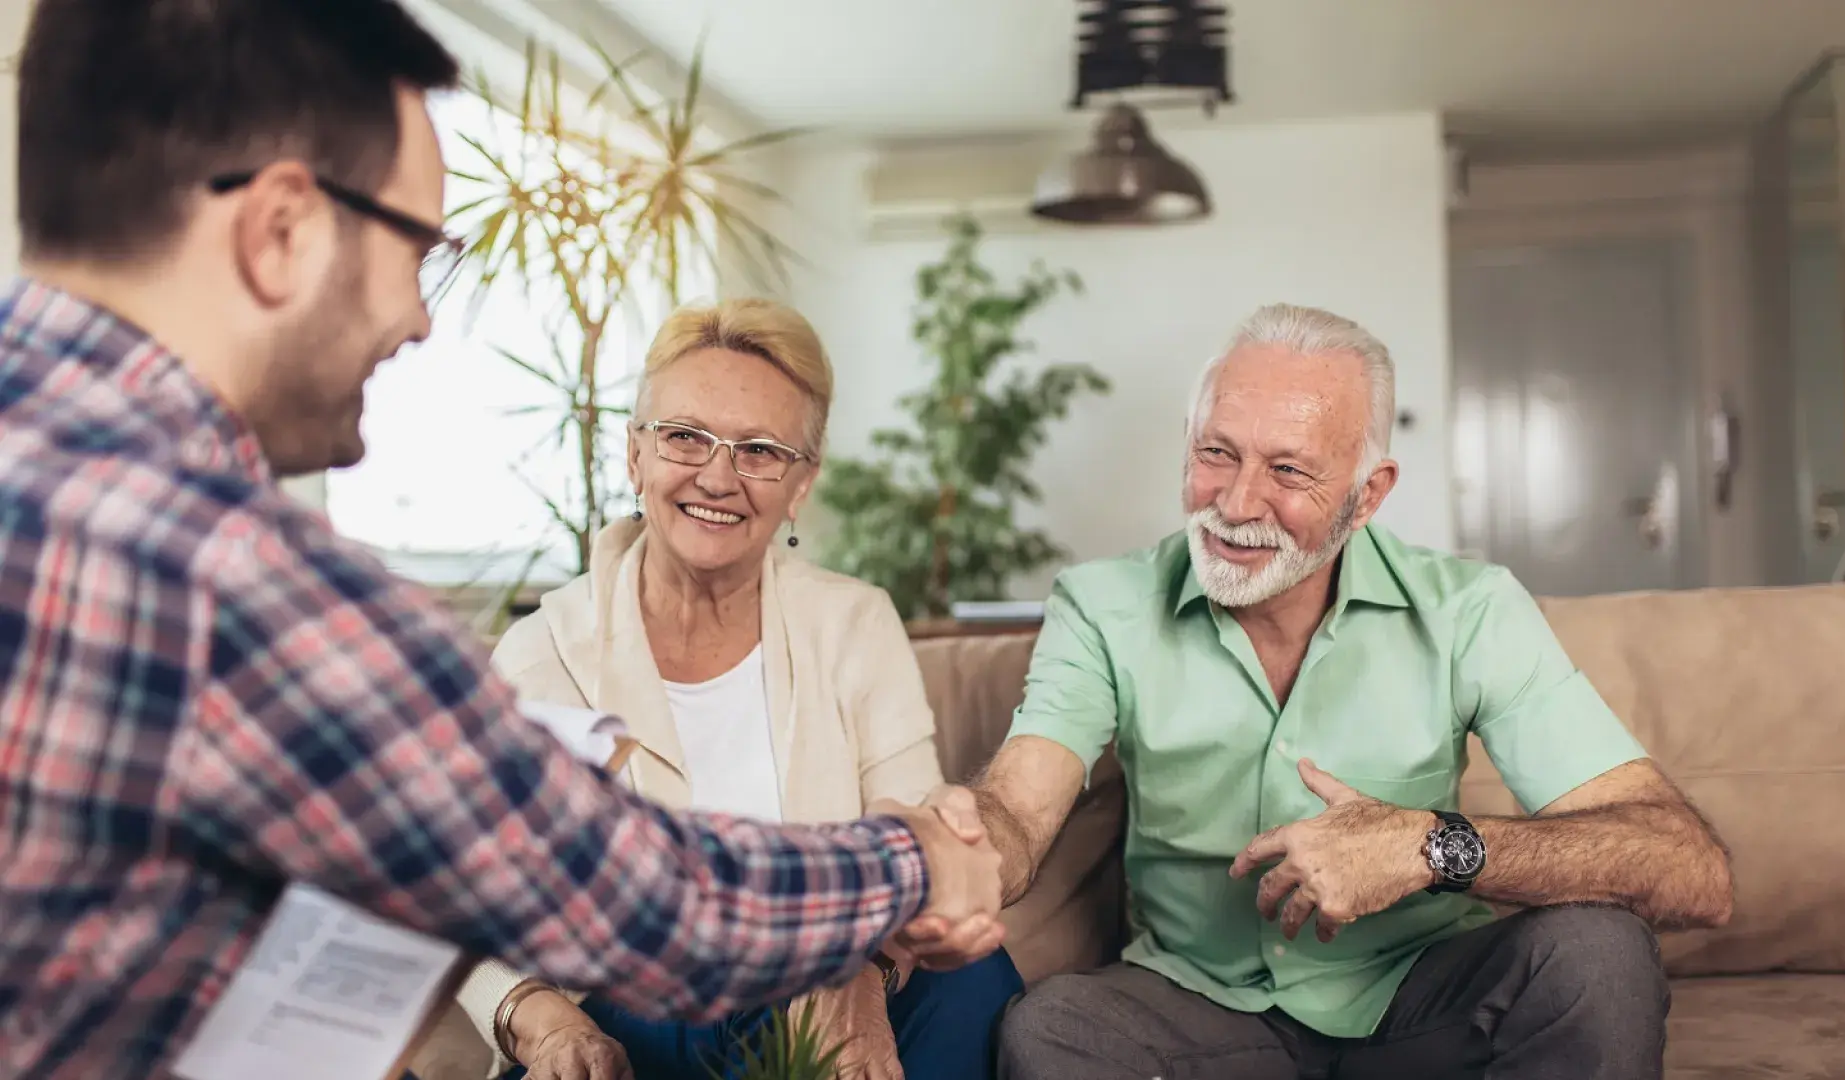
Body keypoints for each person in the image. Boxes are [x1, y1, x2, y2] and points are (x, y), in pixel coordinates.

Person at [0, 4, 1005, 1080]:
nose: (420, 318)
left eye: (760, 450)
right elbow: (646, 898)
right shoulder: (230, 578)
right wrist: (913, 863)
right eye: (417, 249)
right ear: (282, 228)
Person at [924, 303, 1735, 1080]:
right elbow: (1020, 811)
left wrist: (1428, 847)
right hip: (1197, 1009)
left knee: (1599, 952)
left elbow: (1690, 868)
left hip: (1419, 997)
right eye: (1216, 453)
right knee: (1053, 1029)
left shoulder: (1469, 610)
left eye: (1288, 470)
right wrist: (939, 857)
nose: (1237, 504)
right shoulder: (1101, 605)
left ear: (1368, 494)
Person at [452, 299, 1024, 1080]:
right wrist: (542, 1022)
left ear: (800, 484)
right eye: (685, 437)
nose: (717, 476)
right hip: (629, 1027)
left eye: (759, 450)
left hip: (816, 1008)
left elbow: (915, 844)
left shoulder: (854, 624)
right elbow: (466, 899)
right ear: (636, 456)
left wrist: (862, 973)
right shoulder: (542, 653)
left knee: (972, 978)